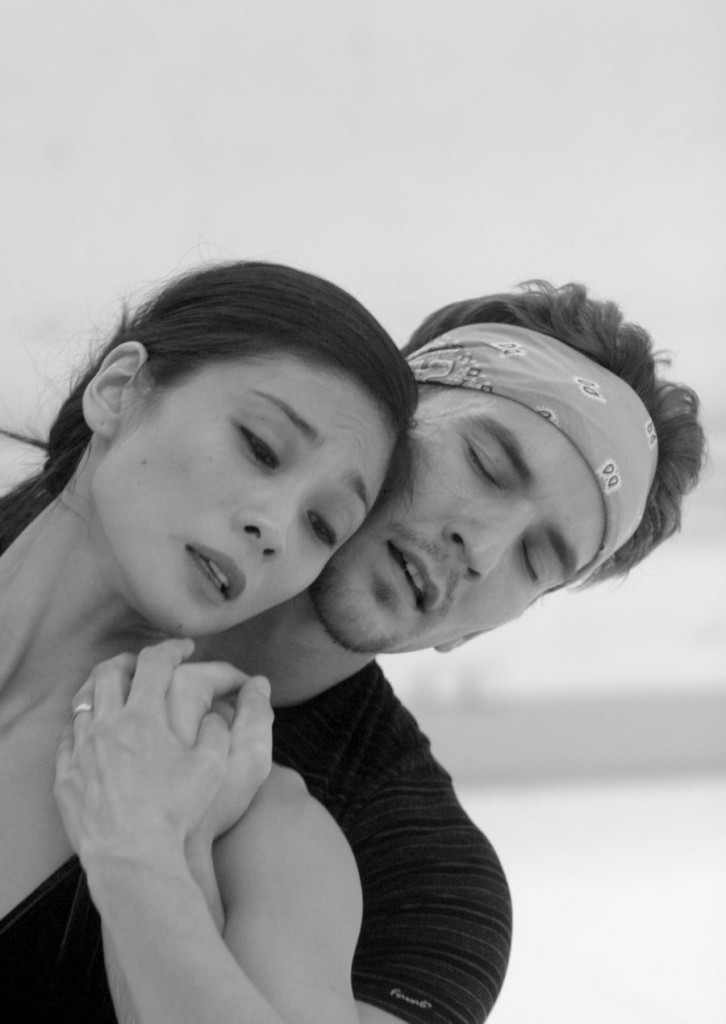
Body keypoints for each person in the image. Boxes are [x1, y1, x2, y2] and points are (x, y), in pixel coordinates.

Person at [9, 279, 706, 1024]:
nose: (485, 548)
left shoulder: (418, 873)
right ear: (380, 424)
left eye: (537, 559)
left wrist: (142, 858)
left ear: (479, 633)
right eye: (486, 463)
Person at [0, 260, 417, 1022]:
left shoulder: (260, 830)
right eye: (261, 447)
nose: (275, 524)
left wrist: (144, 858)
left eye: (323, 526)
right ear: (119, 390)